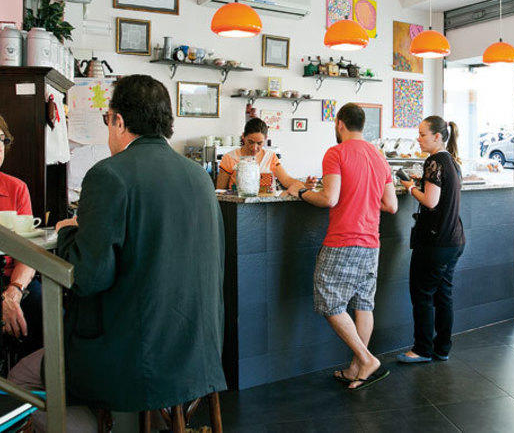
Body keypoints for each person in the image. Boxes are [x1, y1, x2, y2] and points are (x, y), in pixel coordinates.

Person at [9, 75, 226, 431]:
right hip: (195, 353)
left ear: (119, 121)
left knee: (22, 377)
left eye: (107, 120)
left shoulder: (109, 175)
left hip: (133, 357)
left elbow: (89, 276)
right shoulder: (199, 177)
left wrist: (68, 234)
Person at [286, 103, 397, 391]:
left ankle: (366, 358)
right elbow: (391, 205)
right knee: (363, 303)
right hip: (371, 241)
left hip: (343, 240)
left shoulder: (336, 153)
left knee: (328, 300)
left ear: (339, 124)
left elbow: (329, 199)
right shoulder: (379, 155)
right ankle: (356, 369)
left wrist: (299, 190)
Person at [397, 117, 465, 364]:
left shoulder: (435, 161)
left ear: (438, 137)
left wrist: (409, 187)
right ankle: (442, 348)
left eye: (423, 134)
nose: (418, 138)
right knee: (443, 295)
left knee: (423, 294)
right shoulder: (453, 162)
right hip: (454, 240)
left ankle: (422, 349)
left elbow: (431, 201)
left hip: (435, 242)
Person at [0, 114, 43, 359]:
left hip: (11, 279)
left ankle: (29, 385)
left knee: (42, 305)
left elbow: (27, 251)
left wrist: (13, 292)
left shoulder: (16, 188)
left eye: (1, 139)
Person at [216, 117, 298, 191]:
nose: (254, 148)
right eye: (250, 142)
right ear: (243, 136)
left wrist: (304, 185)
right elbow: (220, 190)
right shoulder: (230, 158)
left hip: (267, 204)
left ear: (265, 139)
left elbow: (286, 180)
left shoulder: (270, 157)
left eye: (259, 143)